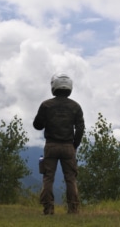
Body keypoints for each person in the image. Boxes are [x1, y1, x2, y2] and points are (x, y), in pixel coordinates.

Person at [33, 73, 85, 215]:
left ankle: (48, 208)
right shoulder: (76, 106)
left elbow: (37, 125)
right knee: (71, 178)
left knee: (48, 177)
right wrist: (75, 145)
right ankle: (73, 209)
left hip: (51, 146)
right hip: (68, 146)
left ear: (54, 86)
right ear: (69, 87)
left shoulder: (46, 105)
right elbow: (80, 128)